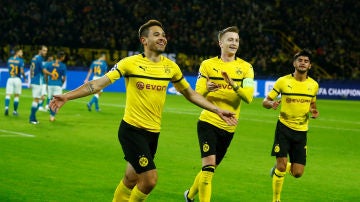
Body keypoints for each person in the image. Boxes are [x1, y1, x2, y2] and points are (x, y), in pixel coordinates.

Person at [49, 19, 238, 202]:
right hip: (132, 130)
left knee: (130, 179)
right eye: (157, 35)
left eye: (163, 35)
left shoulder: (170, 67)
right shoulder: (129, 63)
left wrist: (216, 110)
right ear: (144, 40)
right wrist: (67, 96)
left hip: (152, 134)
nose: (163, 38)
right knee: (149, 180)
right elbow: (97, 84)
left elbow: (190, 94)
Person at [184, 26, 255, 202]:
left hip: (229, 127)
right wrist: (207, 89)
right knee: (208, 168)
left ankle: (189, 195)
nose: (234, 43)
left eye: (236, 40)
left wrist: (233, 84)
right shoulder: (207, 65)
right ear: (220, 43)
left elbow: (248, 98)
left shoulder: (246, 68)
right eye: (230, 39)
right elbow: (197, 93)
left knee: (210, 169)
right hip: (208, 121)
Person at [262, 49, 319, 202]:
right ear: (294, 63)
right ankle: (276, 199)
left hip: (301, 132)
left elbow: (312, 103)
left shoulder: (313, 85)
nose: (303, 63)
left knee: (298, 173)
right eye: (300, 60)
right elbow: (265, 101)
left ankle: (280, 168)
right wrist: (271, 103)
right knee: (282, 166)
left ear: (310, 66)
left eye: (306, 61)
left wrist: (313, 111)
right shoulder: (283, 81)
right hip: (284, 128)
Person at [29, 45, 50, 124]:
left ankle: (33, 117)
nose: (45, 52)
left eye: (46, 51)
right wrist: (51, 74)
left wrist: (31, 80)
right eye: (44, 50)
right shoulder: (40, 59)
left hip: (35, 80)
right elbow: (44, 70)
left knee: (41, 98)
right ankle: (32, 118)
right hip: (38, 81)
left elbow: (31, 70)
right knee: (36, 99)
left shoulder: (34, 58)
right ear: (40, 50)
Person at [45, 51, 67, 122]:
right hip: (58, 84)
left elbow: (45, 73)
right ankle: (52, 116)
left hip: (50, 83)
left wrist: (47, 82)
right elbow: (64, 78)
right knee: (56, 101)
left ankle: (49, 107)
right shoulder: (63, 66)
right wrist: (61, 83)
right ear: (62, 57)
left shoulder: (49, 63)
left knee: (49, 98)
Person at [4, 46, 26, 116]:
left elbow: (9, 69)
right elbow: (22, 71)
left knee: (8, 94)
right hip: (17, 79)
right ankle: (15, 111)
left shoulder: (9, 59)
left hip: (10, 78)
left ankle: (6, 108)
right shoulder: (21, 60)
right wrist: (25, 77)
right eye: (21, 52)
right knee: (16, 95)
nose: (22, 53)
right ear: (17, 52)